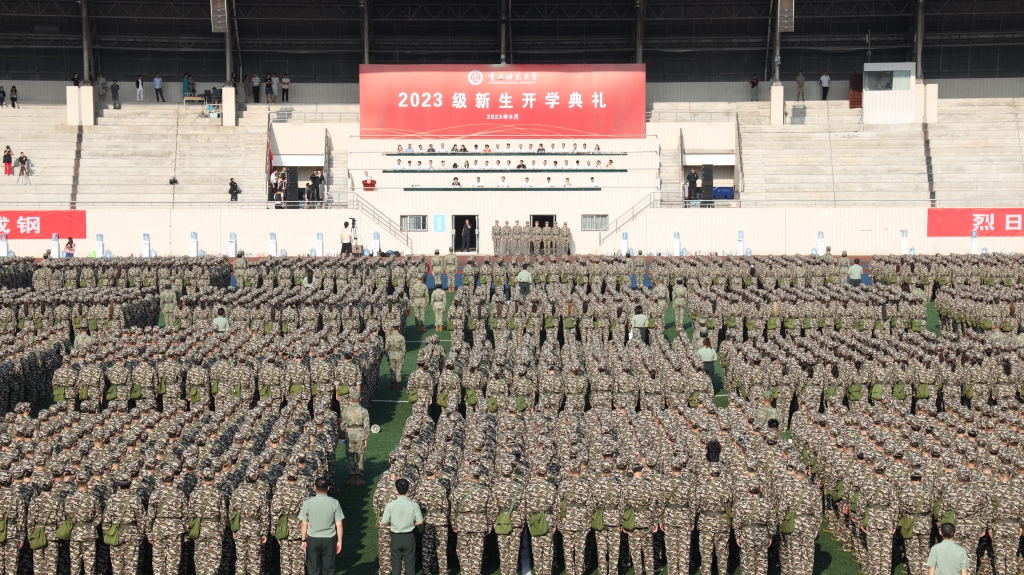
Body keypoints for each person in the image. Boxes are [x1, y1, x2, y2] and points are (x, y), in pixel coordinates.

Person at [299, 478, 345, 575]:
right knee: (329, 569)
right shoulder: (335, 502)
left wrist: (303, 540)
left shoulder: (308, 503)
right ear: (328, 488)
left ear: (314, 487)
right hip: (329, 539)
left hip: (313, 539)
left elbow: (304, 524)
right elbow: (339, 524)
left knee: (313, 568)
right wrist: (339, 541)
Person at [380, 478, 423, 575]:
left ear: (396, 489)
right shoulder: (414, 505)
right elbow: (420, 521)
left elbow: (384, 521)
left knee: (396, 565)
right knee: (410, 564)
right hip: (409, 537)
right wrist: (411, 524)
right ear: (408, 489)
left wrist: (394, 523)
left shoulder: (390, 505)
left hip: (396, 537)